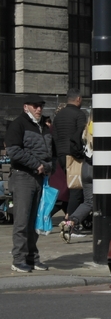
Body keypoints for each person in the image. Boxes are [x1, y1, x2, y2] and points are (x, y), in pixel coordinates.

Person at [5, 94, 54, 272]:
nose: (39, 108)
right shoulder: (18, 124)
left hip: (40, 178)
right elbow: (13, 151)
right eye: (35, 106)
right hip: (23, 176)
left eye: (40, 105)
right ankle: (18, 259)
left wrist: (47, 167)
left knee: (35, 220)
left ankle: (32, 257)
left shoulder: (44, 127)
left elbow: (50, 152)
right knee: (22, 220)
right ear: (26, 107)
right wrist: (37, 165)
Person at [59, 112, 94, 242]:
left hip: (85, 168)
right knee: (105, 200)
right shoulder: (103, 129)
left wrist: (81, 155)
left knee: (89, 202)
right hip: (98, 169)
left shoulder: (84, 130)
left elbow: (73, 146)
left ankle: (71, 222)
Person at [52, 88, 86, 217]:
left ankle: (69, 215)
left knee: (70, 187)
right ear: (78, 99)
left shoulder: (58, 116)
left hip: (61, 154)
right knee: (77, 189)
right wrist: (79, 153)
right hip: (74, 156)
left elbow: (54, 136)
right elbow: (80, 135)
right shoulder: (79, 114)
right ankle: (71, 221)